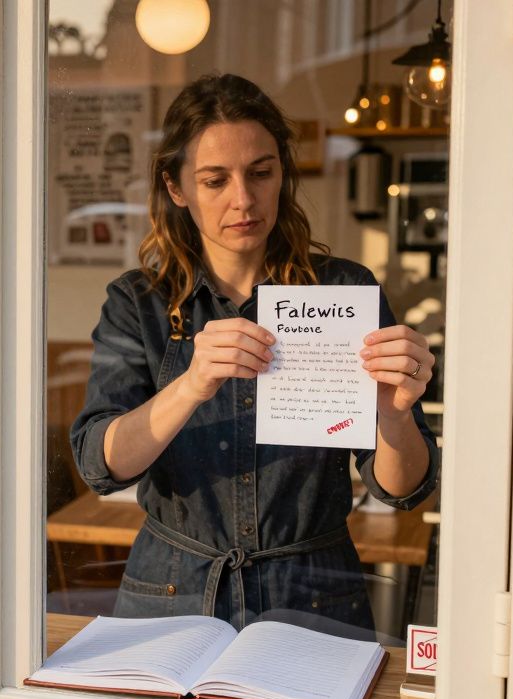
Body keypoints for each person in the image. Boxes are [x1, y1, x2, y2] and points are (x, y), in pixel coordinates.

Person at [70, 74, 439, 635]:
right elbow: (101, 463)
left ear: (282, 174)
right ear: (177, 189)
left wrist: (393, 413)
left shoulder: (343, 289)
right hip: (171, 593)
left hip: (315, 595)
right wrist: (191, 383)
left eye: (261, 173)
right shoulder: (138, 302)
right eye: (215, 180)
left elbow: (400, 488)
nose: (243, 199)